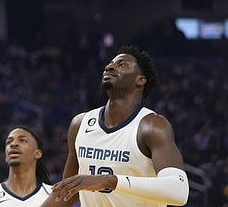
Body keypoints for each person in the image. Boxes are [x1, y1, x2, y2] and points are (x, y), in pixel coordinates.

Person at [40, 45, 189, 207]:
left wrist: (109, 181)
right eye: (111, 63)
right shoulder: (80, 124)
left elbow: (179, 191)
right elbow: (66, 193)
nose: (109, 66)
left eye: (122, 64)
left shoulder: (152, 126)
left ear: (140, 79)